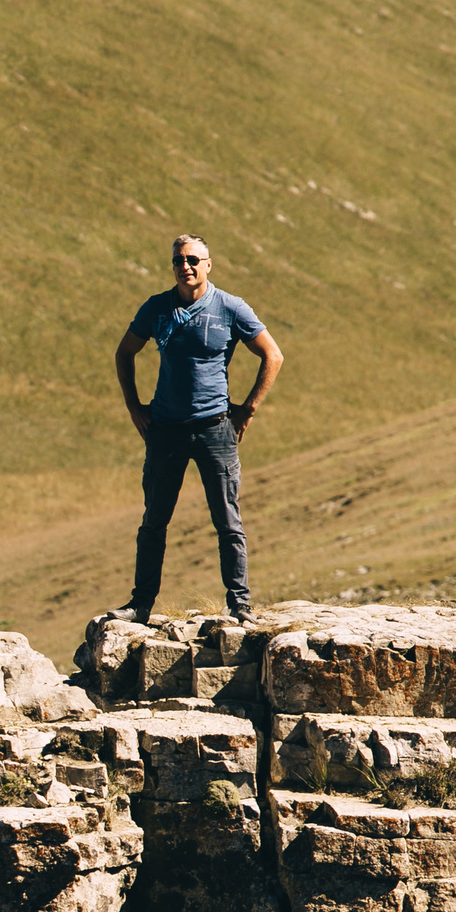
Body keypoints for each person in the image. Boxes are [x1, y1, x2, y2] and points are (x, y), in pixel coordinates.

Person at [109, 234, 285, 623]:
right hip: (165, 430)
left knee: (227, 521)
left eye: (192, 260)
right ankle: (140, 605)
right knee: (154, 519)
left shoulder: (230, 307)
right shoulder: (156, 308)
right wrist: (133, 406)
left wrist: (249, 408)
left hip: (215, 429)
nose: (185, 267)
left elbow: (273, 355)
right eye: (178, 261)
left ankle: (239, 604)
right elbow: (124, 352)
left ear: (208, 264)